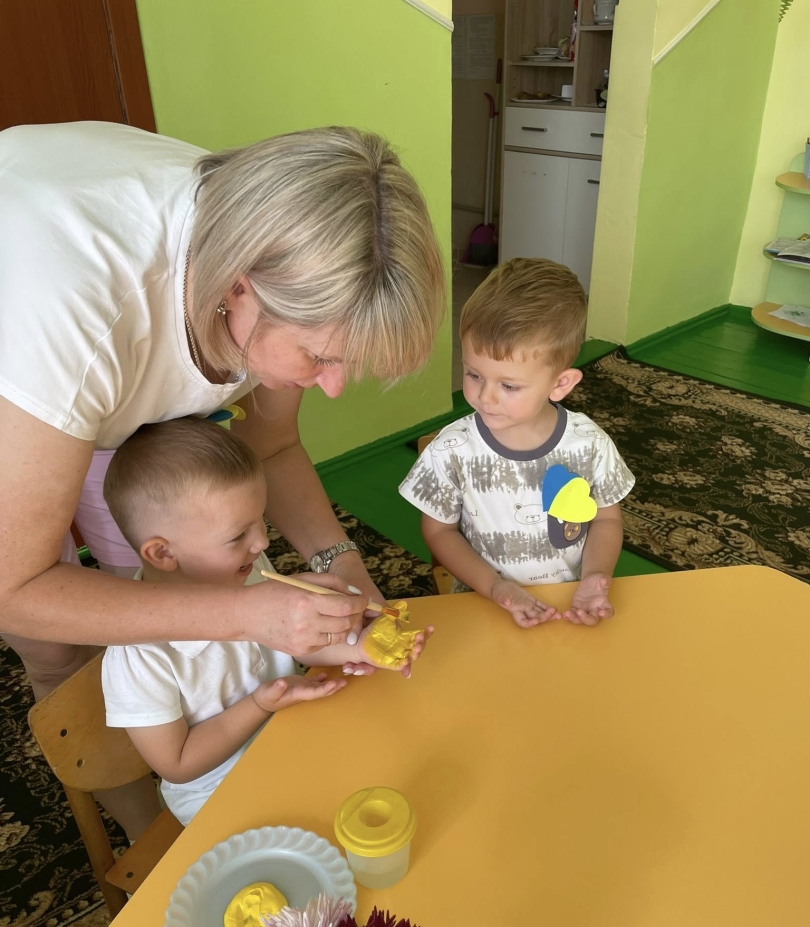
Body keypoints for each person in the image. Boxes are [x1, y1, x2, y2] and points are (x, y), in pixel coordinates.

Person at [0, 120, 444, 838]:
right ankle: (145, 824)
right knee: (55, 644)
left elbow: (271, 444)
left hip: (96, 356)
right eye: (319, 357)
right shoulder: (80, 317)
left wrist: (340, 562)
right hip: (32, 350)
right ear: (239, 288)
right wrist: (244, 614)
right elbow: (14, 589)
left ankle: (159, 728)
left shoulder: (280, 251)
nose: (332, 387)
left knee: (154, 558)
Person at [101, 418, 432, 826]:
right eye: (238, 535)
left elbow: (297, 640)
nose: (262, 542)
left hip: (294, 737)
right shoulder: (137, 656)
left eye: (260, 520)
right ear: (163, 554)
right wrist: (259, 705)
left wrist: (361, 647)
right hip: (221, 795)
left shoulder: (247, 567)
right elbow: (178, 764)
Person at [399, 258, 634, 627]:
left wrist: (594, 577)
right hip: (482, 602)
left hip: (569, 603)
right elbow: (439, 531)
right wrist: (495, 588)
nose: (485, 396)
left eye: (508, 385)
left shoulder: (590, 444)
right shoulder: (451, 451)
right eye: (473, 374)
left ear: (561, 384)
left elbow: (606, 518)